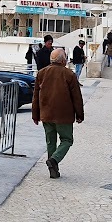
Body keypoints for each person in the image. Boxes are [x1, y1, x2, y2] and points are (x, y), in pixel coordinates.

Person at [32, 49, 84, 179]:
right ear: (62, 60)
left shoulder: (41, 73)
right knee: (67, 140)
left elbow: (35, 96)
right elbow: (76, 96)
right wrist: (80, 114)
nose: (66, 60)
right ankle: (54, 160)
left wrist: (35, 114)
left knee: (51, 141)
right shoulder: (69, 74)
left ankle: (53, 170)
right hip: (63, 115)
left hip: (46, 114)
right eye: (65, 57)